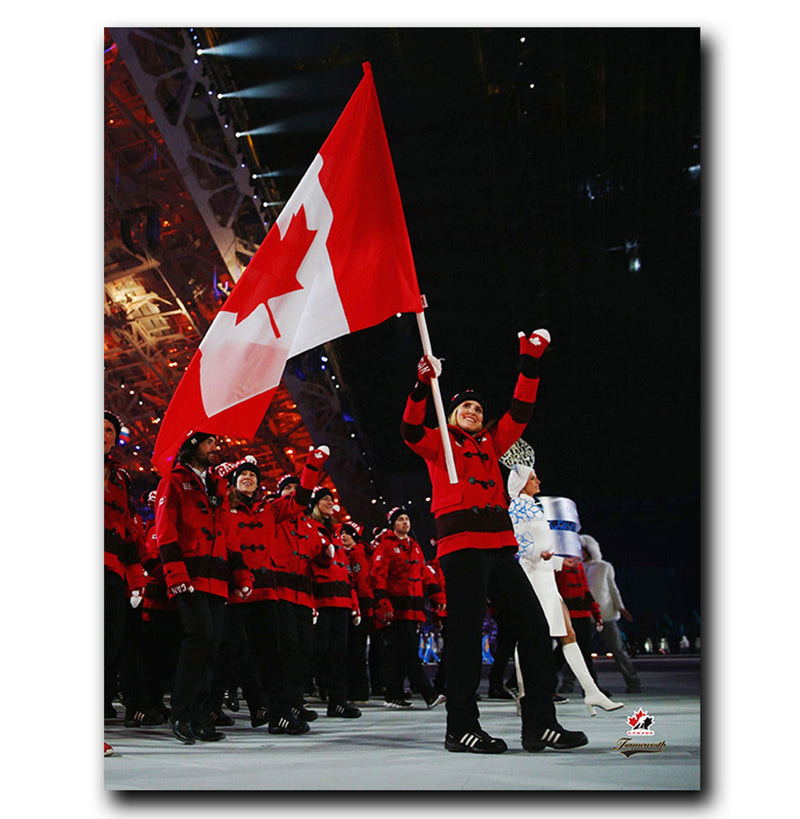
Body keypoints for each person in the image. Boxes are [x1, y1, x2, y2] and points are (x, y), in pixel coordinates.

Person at [401, 330, 587, 753]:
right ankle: (461, 728)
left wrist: (530, 364)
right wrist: (420, 384)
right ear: (450, 415)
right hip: (462, 547)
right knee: (465, 638)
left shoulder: (491, 442)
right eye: (464, 406)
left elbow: (521, 412)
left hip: (501, 547)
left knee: (535, 628)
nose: (472, 410)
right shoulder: (439, 444)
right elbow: (411, 428)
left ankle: (540, 724)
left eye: (478, 408)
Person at [154, 432, 253, 745]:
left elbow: (227, 535)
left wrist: (241, 576)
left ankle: (199, 715)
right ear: (192, 446)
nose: (215, 448)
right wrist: (175, 573)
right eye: (209, 443)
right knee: (199, 640)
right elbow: (165, 531)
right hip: (190, 578)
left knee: (211, 647)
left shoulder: (216, 487)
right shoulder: (173, 481)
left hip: (216, 579)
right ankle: (181, 713)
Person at [507, 464, 623, 715]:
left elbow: (541, 546)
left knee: (568, 632)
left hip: (545, 574)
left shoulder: (534, 507)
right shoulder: (517, 506)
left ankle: (592, 692)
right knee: (532, 635)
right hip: (533, 577)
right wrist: (542, 554)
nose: (538, 482)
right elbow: (517, 543)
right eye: (533, 478)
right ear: (521, 483)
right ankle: (525, 692)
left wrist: (560, 561)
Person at [370, 507, 446, 710]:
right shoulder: (385, 546)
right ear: (392, 523)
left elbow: (424, 572)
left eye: (407, 519)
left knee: (400, 652)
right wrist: (383, 602)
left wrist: (436, 593)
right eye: (400, 519)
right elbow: (378, 575)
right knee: (408, 650)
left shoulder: (413, 546)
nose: (405, 522)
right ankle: (428, 694)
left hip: (413, 607)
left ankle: (393, 694)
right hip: (395, 609)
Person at [104, 411, 146, 721]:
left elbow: (129, 534)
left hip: (113, 571)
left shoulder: (120, 478)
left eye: (109, 429)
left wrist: (135, 581)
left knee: (108, 644)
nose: (104, 433)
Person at [307, 487, 362, 718]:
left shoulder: (337, 532)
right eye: (324, 500)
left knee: (339, 653)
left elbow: (346, 572)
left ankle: (338, 701)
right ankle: (294, 697)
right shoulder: (310, 527)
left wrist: (354, 603)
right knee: (317, 651)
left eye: (331, 499)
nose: (330, 503)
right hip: (321, 599)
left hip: (340, 600)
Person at [580, 534, 642, 694]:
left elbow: (613, 588)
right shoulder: (577, 567)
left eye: (583, 549)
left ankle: (633, 682)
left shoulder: (604, 567)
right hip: (585, 615)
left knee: (618, 650)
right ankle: (571, 684)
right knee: (580, 651)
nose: (581, 552)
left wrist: (620, 607)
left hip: (605, 614)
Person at [340, 521, 373, 703]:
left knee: (356, 649)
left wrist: (361, 608)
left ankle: (358, 691)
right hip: (354, 603)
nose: (344, 536)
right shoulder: (348, 553)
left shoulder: (356, 555)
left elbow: (361, 583)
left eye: (348, 533)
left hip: (358, 604)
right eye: (342, 533)